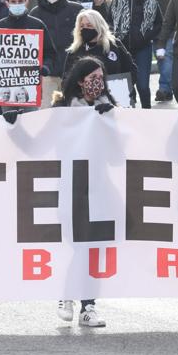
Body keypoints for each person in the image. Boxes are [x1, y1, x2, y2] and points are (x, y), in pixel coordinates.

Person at [50, 56, 117, 327]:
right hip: (72, 186)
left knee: (93, 249)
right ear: (80, 80)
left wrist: (110, 122)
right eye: (93, 78)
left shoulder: (110, 108)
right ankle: (68, 296)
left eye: (101, 77)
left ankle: (88, 306)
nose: (97, 83)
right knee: (80, 246)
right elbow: (41, 140)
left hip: (100, 187)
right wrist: (14, 122)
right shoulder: (62, 107)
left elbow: (120, 152)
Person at [111, 0, 163, 108]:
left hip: (143, 48)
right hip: (123, 48)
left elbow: (159, 23)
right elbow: (109, 21)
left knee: (143, 86)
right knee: (127, 86)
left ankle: (146, 112)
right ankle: (130, 114)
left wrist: (145, 36)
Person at [0, 0, 56, 103]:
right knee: (8, 120)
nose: (17, 4)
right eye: (13, 2)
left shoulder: (37, 25)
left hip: (31, 88)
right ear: (7, 3)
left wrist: (46, 66)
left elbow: (50, 52)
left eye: (20, 1)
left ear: (26, 2)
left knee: (31, 119)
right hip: (5, 89)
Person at [30, 0, 83, 104]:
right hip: (47, 72)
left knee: (75, 112)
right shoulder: (35, 14)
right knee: (48, 112)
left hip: (73, 71)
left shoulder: (76, 9)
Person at [62, 10, 137, 99]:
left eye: (89, 25)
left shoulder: (114, 45)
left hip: (117, 96)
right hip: (85, 102)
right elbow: (66, 80)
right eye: (82, 26)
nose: (85, 29)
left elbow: (131, 69)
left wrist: (127, 88)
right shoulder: (75, 51)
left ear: (98, 26)